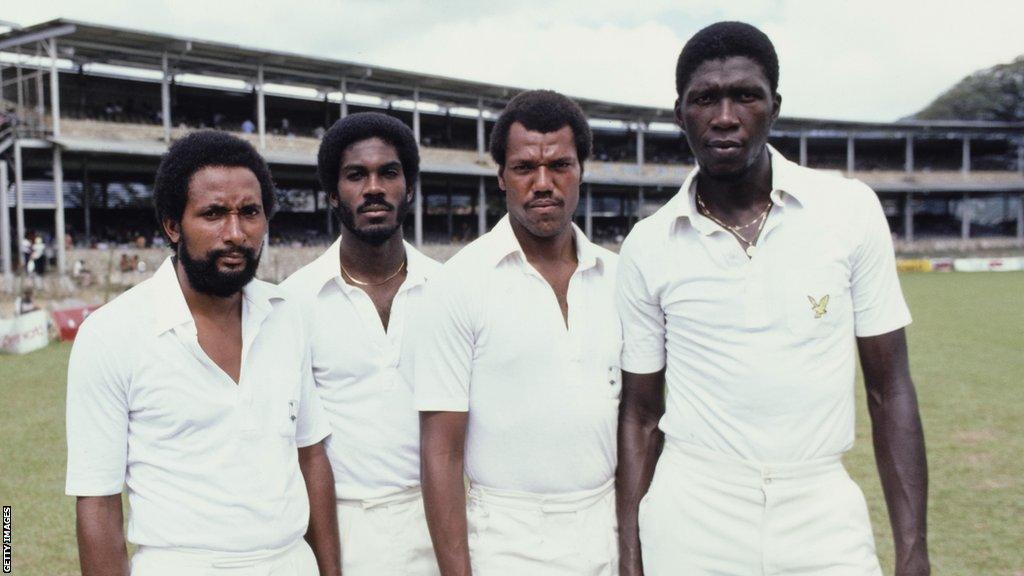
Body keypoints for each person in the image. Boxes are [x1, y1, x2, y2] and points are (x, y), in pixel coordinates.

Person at [615, 21, 929, 576]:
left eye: (745, 95)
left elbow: (890, 389)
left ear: (774, 106)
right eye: (705, 99)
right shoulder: (649, 243)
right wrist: (632, 558)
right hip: (694, 509)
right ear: (679, 114)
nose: (726, 116)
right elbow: (640, 414)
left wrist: (912, 551)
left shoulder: (849, 210)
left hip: (820, 505)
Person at [65, 131, 341, 576]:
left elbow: (310, 454)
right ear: (172, 225)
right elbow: (97, 502)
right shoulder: (111, 334)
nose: (235, 233)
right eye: (213, 214)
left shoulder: (286, 315)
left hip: (291, 562)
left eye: (250, 213)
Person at [414, 90, 621, 575]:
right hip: (508, 539)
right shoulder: (458, 283)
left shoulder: (620, 277)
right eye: (525, 167)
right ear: (501, 175)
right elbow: (440, 451)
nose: (543, 183)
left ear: (582, 170)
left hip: (605, 525)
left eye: (560, 166)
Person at [281, 112, 442, 576]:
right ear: (333, 193)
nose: (374, 187)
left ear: (408, 187)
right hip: (342, 525)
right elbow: (297, 445)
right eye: (356, 175)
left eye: (388, 173)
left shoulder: (451, 289)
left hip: (440, 516)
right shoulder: (295, 299)